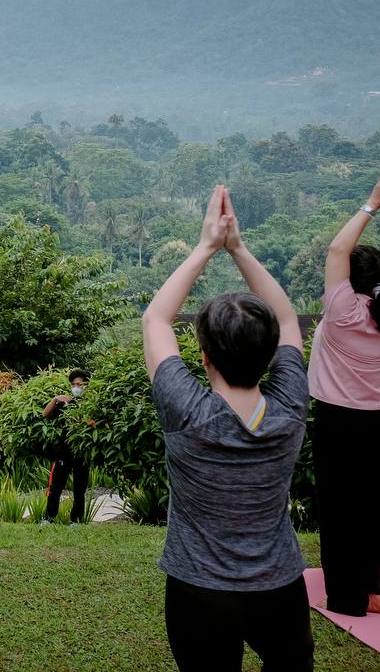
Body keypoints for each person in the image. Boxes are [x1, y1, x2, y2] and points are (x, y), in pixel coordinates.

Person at [142, 186, 313, 671]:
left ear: (203, 357)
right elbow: (287, 318)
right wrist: (238, 248)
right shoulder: (289, 407)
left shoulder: (187, 412)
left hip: (198, 592)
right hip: (279, 587)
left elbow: (156, 319)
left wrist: (206, 247)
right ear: (272, 355)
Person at [309, 164, 380, 617]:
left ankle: (346, 599)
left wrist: (373, 203)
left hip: (337, 422)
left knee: (339, 508)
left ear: (347, 280)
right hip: (378, 422)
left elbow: (336, 248)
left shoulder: (343, 312)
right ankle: (371, 587)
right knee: (372, 504)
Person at [41, 368, 90, 524]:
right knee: (55, 487)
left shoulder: (91, 404)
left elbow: (92, 423)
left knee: (79, 489)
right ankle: (48, 518)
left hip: (82, 452)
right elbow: (45, 414)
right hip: (63, 452)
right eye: (73, 384)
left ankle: (76, 521)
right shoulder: (66, 403)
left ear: (87, 385)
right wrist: (55, 399)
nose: (76, 387)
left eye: (79, 384)